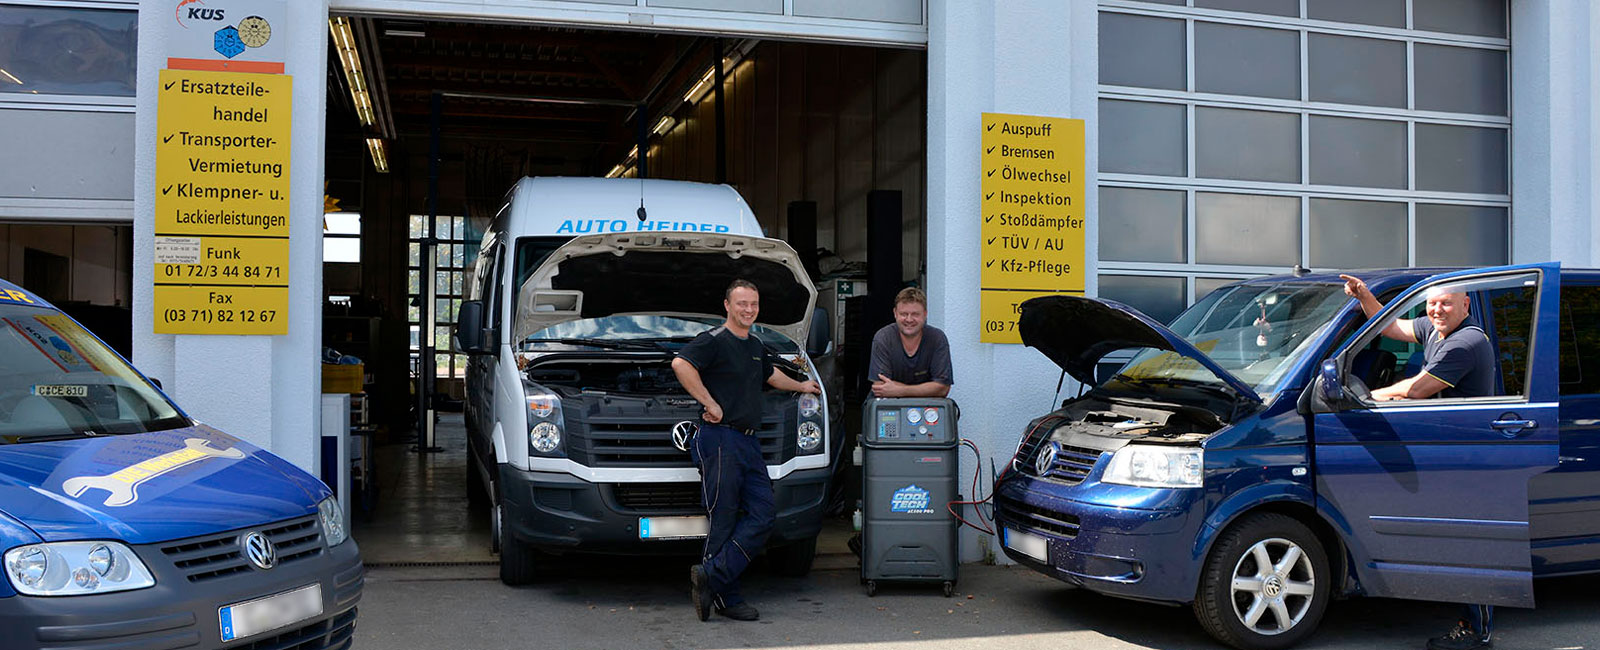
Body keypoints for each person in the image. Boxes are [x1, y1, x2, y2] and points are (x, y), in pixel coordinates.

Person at [1342, 274, 1496, 650]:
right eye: (1432, 303)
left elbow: (1417, 389)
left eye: (1446, 303)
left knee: (1465, 542)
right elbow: (1393, 326)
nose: (1437, 309)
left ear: (1465, 306)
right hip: (1444, 452)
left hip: (1466, 457)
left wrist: (1364, 396)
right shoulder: (1435, 328)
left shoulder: (1466, 341)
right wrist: (1365, 296)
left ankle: (1476, 630)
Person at [671, 279, 820, 623]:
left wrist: (802, 385)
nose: (748, 309)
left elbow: (771, 376)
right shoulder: (714, 341)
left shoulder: (754, 344)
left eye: (753, 304)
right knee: (724, 518)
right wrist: (709, 402)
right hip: (720, 438)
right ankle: (726, 596)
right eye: (741, 304)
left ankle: (712, 576)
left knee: (763, 514)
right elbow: (681, 365)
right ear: (727, 305)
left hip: (749, 442)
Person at [867, 287, 953, 398]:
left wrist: (900, 391)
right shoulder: (883, 338)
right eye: (904, 314)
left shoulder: (937, 338)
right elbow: (880, 387)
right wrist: (927, 389)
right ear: (895, 313)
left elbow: (943, 388)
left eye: (915, 314)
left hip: (928, 410)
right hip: (889, 409)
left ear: (925, 314)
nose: (909, 319)